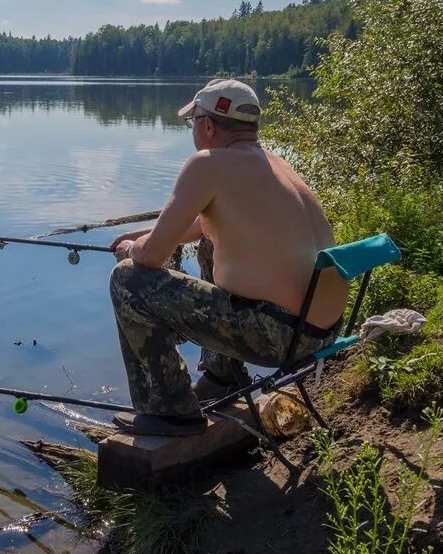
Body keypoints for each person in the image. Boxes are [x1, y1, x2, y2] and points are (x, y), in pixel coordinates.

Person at [108, 79, 348, 436]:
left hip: (276, 336)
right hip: (321, 332)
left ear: (207, 125)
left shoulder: (207, 164)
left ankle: (170, 411)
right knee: (210, 248)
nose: (193, 133)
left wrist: (132, 250)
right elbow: (209, 225)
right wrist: (146, 235)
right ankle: (224, 376)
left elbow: (152, 257)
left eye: (193, 124)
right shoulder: (277, 165)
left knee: (128, 279)